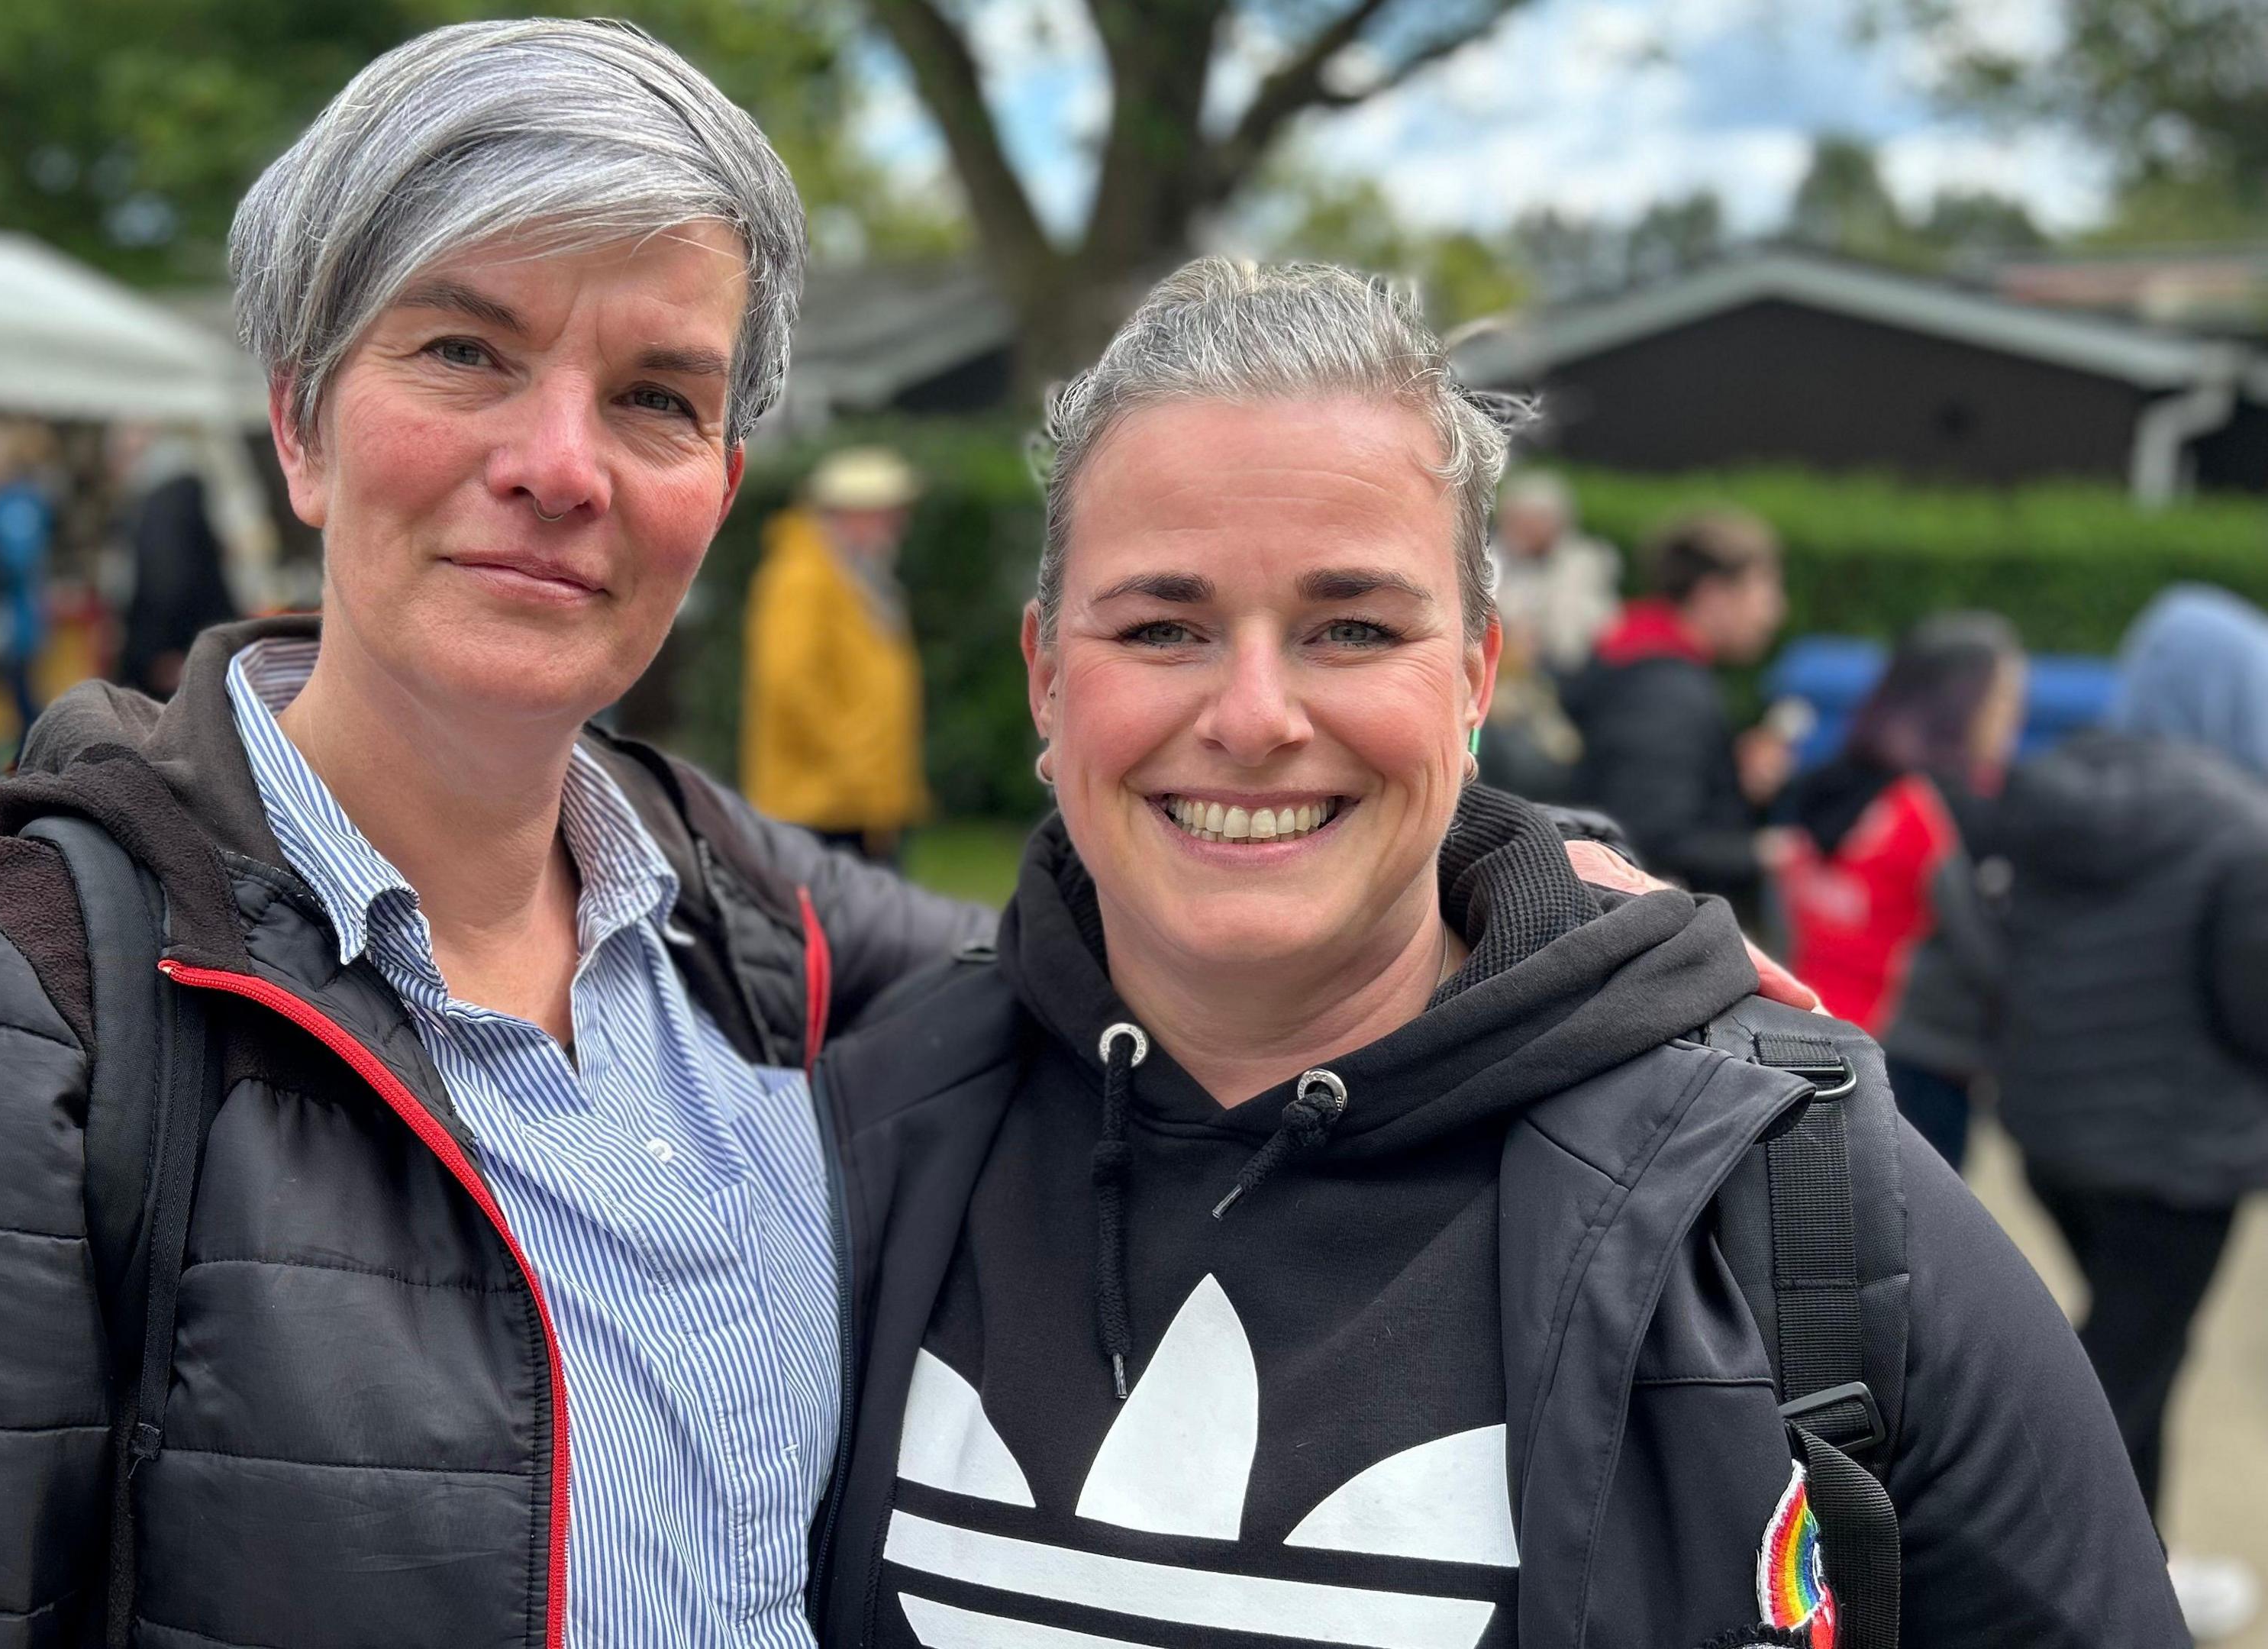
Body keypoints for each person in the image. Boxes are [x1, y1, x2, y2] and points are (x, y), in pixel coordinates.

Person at [0, 25, 1801, 1647]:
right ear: (303, 421)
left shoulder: (741, 929)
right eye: (464, 351)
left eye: (660, 397)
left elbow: (1172, 907)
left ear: (723, 475)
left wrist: (1529, 886)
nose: (558, 464)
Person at [808, 261, 2179, 1649]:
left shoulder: (1805, 1203)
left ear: (1474, 680)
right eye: (1163, 626)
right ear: (1048, 676)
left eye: (1354, 627)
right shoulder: (849, 1157)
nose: (1255, 712)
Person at [1992, 585, 2268, 1639]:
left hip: (2056, 1137)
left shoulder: (2056, 785)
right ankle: (2061, 1572)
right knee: (2124, 1369)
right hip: (2179, 1156)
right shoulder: (2244, 826)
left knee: (2140, 1349)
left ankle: (2143, 1553)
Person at [1770, 612, 2025, 1167]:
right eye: (2005, 698)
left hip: (1797, 1038)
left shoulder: (1819, 785)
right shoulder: (1949, 812)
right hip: (1910, 1066)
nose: (2015, 717)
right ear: (1962, 704)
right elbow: (1988, 955)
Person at [1566, 509, 1794, 909]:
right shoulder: (1666, 691)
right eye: (1766, 591)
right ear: (1713, 594)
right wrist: (1765, 851)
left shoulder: (1641, 661)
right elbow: (1650, 835)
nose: (1775, 612)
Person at [741, 446, 930, 862]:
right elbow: (786, 682)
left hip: (850, 806)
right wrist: (854, 768)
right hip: (817, 809)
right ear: (849, 514)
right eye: (885, 511)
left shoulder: (849, 574)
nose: (897, 524)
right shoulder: (802, 578)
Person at [111, 423, 238, 695]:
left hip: (173, 650)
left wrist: (159, 648)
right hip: (200, 641)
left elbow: (167, 576)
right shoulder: (186, 493)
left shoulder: (164, 500)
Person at [0, 419, 56, 744]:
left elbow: (19, 559)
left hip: (18, 619)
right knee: (12, 698)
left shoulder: (20, 504)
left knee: (25, 697)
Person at [1489, 469, 1619, 680]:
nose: (1529, 527)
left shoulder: (1585, 562)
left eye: (1539, 518)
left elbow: (1588, 628)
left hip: (1571, 673)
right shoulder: (1490, 558)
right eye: (1520, 518)